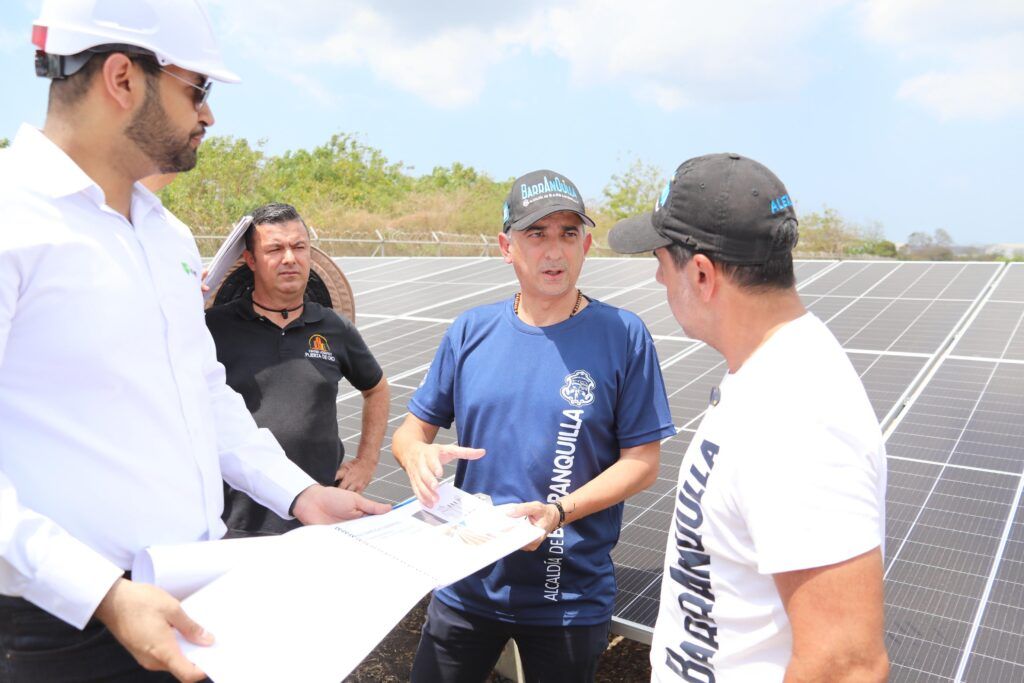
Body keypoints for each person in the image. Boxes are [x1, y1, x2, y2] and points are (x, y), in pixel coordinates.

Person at [0, 2, 387, 681]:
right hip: (63, 627)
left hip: (192, 593)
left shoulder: (166, 237)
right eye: (196, 90)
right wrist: (102, 594)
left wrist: (298, 494)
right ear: (122, 78)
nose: (207, 116)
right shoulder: (13, 219)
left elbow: (204, 392)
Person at [608, 153, 889, 682]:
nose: (656, 277)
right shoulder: (767, 376)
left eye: (662, 262)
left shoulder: (798, 417)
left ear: (702, 273)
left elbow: (845, 666)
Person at [391, 169, 677, 682]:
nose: (554, 251)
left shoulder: (624, 335)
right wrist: (417, 456)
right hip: (466, 581)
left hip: (567, 596)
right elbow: (411, 432)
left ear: (586, 245)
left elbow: (642, 463)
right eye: (536, 234)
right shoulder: (471, 331)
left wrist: (557, 513)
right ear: (507, 246)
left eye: (568, 234)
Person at [206, 202, 390, 536]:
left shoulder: (334, 327)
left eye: (298, 247)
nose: (289, 258)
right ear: (250, 260)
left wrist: (367, 462)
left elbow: (376, 388)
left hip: (321, 514)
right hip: (237, 521)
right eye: (275, 249)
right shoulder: (213, 328)